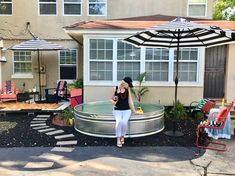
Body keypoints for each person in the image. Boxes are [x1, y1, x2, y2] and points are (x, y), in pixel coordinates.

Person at [111, 77, 136, 148]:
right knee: (119, 122)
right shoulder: (115, 89)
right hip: (117, 110)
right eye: (128, 84)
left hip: (127, 110)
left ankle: (122, 136)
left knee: (124, 122)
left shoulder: (128, 90)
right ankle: (118, 138)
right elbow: (111, 99)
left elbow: (130, 101)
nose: (129, 86)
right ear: (124, 83)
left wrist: (134, 110)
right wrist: (114, 102)